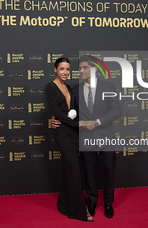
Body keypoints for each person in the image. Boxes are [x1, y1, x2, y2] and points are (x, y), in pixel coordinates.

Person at [52, 56, 122, 218]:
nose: (82, 71)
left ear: (95, 70)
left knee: (109, 170)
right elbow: (69, 112)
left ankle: (108, 203)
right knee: (89, 171)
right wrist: (55, 118)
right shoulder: (74, 90)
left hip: (106, 136)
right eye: (80, 68)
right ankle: (92, 200)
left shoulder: (109, 87)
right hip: (85, 137)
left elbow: (117, 111)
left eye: (85, 68)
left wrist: (96, 122)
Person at [45, 57, 94, 222]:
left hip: (74, 132)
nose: (65, 72)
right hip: (63, 133)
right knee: (74, 171)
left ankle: (65, 203)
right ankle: (79, 210)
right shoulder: (50, 87)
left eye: (67, 69)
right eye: (61, 69)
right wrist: (76, 123)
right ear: (55, 70)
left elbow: (73, 110)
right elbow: (57, 113)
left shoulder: (68, 88)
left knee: (72, 170)